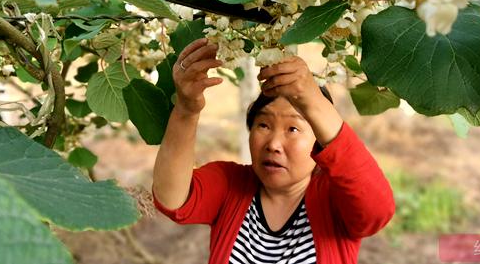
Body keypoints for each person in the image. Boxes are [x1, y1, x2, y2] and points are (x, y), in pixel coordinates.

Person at [152, 38, 395, 264]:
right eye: (264, 125)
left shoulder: (336, 199)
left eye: (292, 128)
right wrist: (186, 109)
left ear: (318, 141)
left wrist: (311, 98)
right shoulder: (231, 185)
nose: (273, 144)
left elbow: (377, 211)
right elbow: (172, 200)